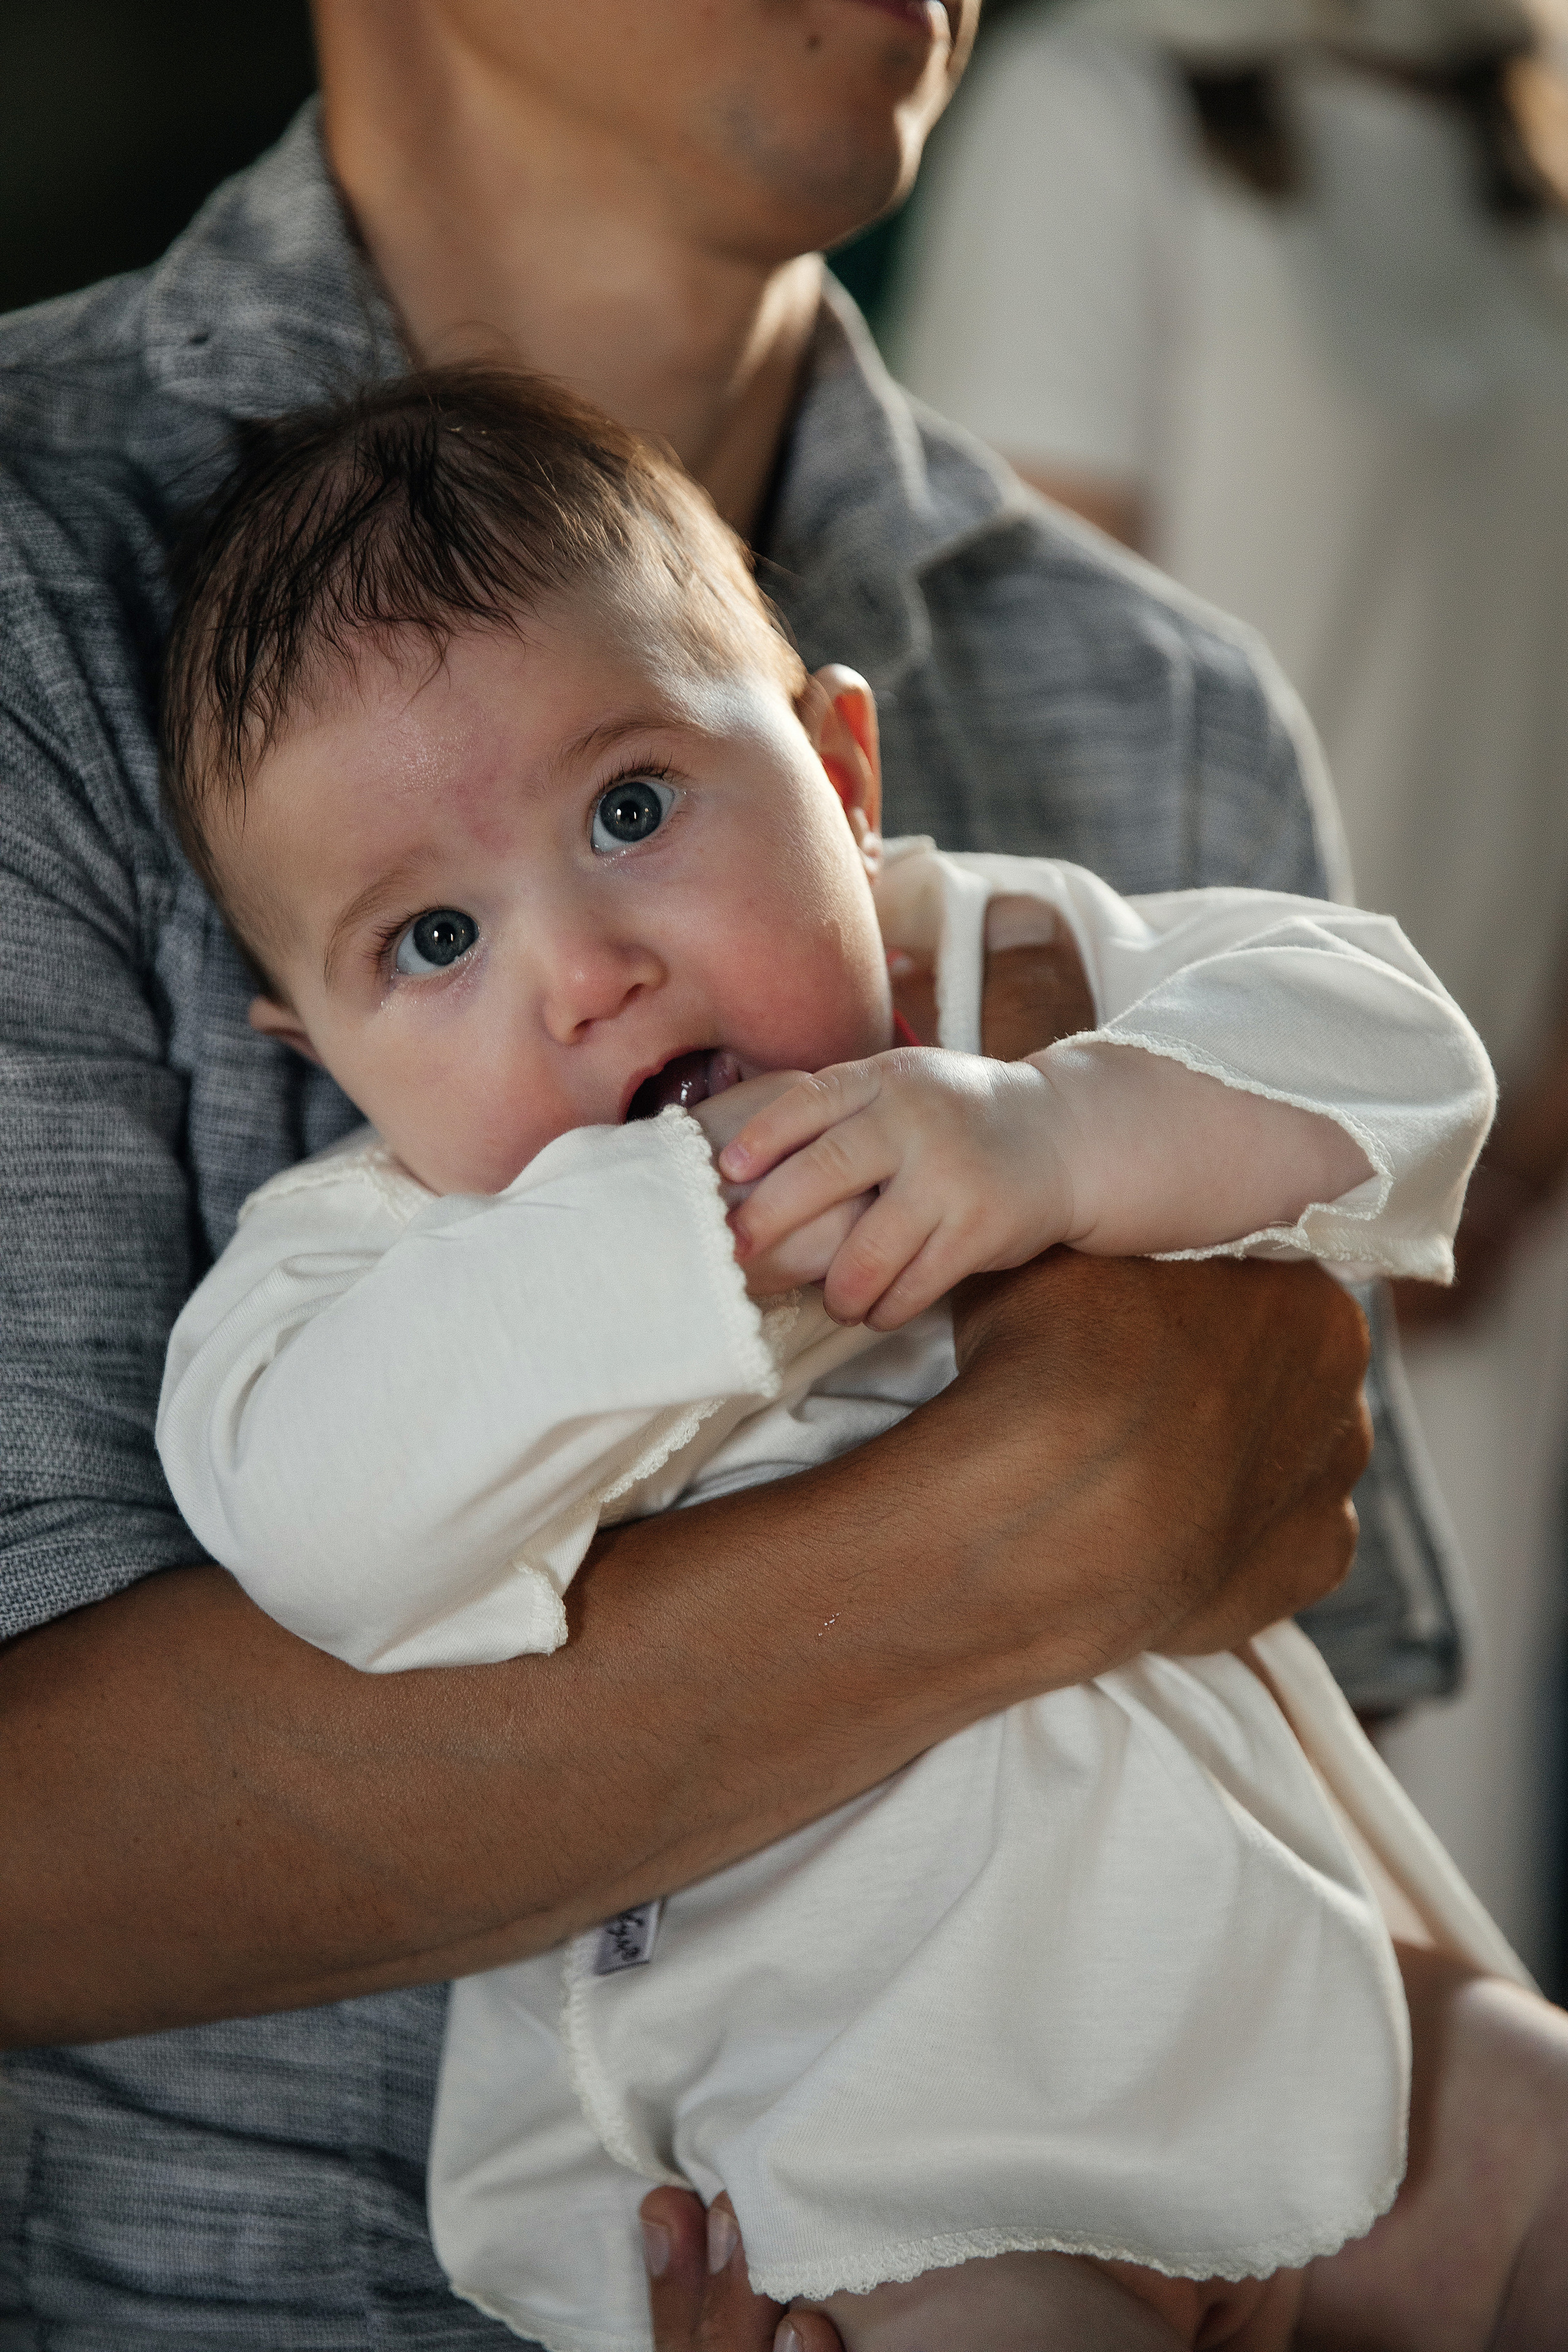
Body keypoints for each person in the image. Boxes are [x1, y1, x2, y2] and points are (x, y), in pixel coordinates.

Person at [0, 6, 1560, 2347]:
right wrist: (752, 1297)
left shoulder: (1102, 775)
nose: (587, 978)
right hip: (828, 2201)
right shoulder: (61, 624)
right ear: (301, 1043)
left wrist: (1057, 1129)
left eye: (641, 809)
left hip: (1293, 2030)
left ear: (842, 773)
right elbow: (296, 1523)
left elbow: (1311, 1495)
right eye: (434, 942)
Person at [894, 0, 1568, 1967]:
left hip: (1508, 1207)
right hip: (1202, 1210)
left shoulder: (1521, 137)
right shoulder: (1095, 117)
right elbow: (1036, 743)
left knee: (1470, 1930)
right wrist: (1298, 1166)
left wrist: (1499, 1140)